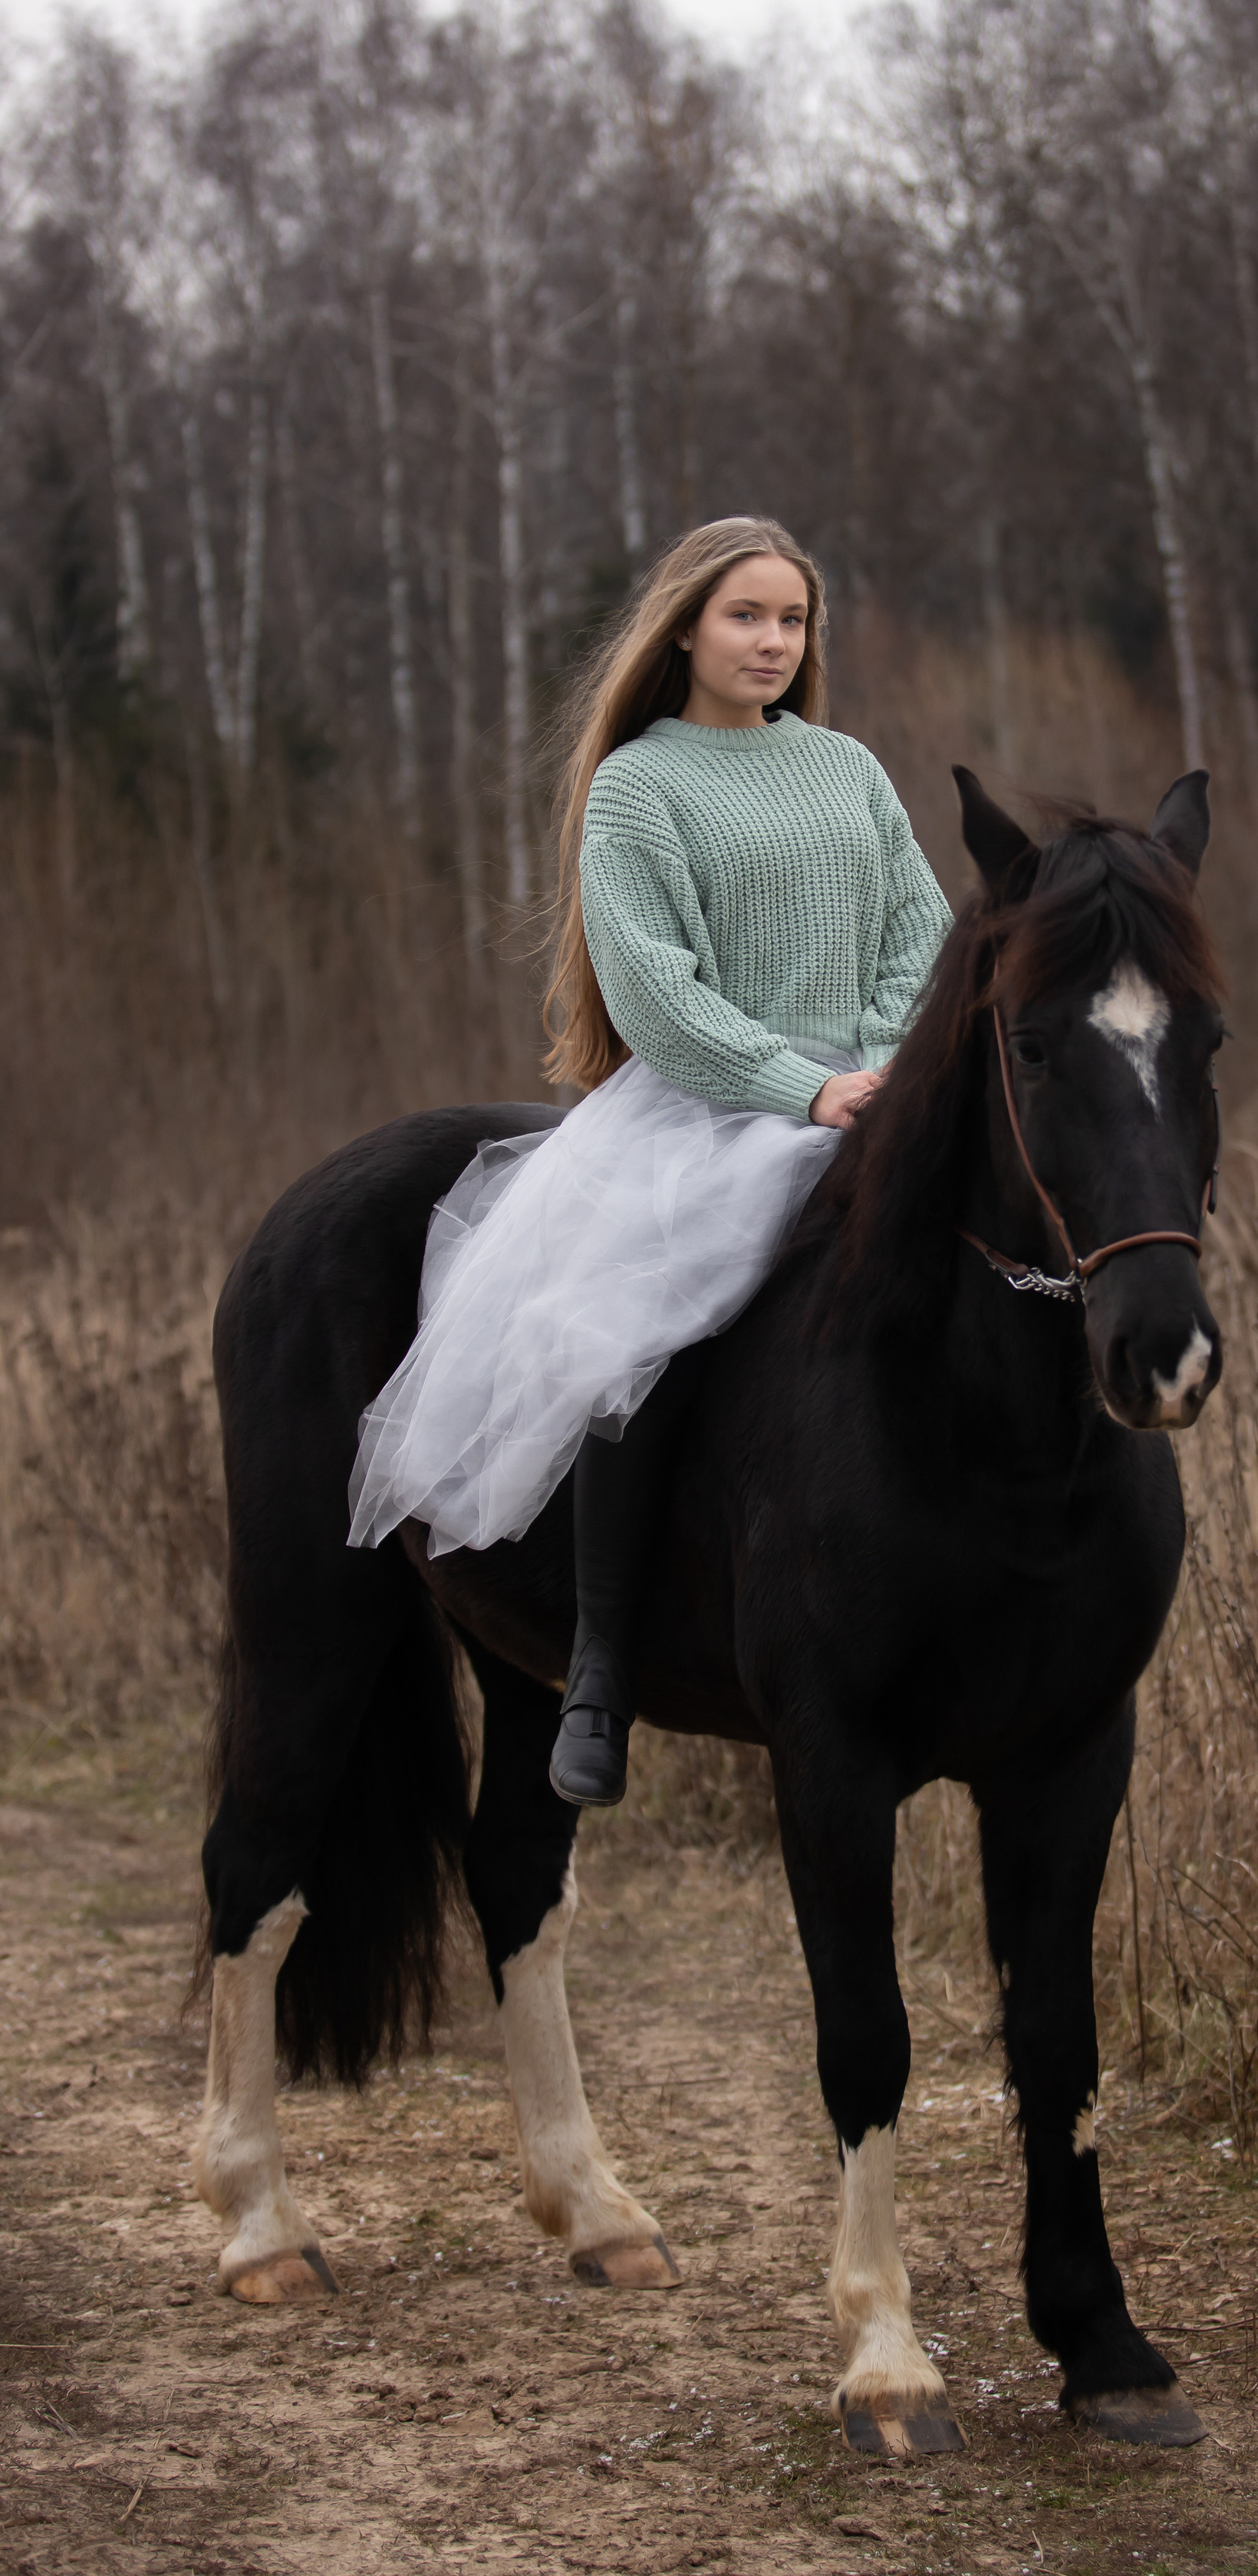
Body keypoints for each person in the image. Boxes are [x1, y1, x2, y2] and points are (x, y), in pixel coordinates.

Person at [347, 517, 953, 1806]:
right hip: (702, 1119)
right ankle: (603, 1670)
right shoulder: (639, 786)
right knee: (636, 1344)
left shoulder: (848, 770)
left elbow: (922, 927)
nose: (774, 643)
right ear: (685, 627)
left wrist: (889, 1067)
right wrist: (806, 1085)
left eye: (793, 621)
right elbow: (656, 992)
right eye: (748, 617)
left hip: (872, 1098)